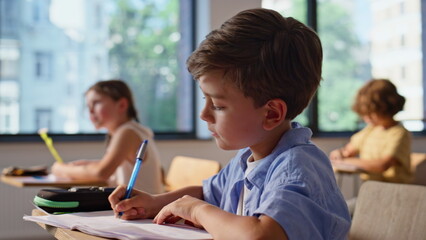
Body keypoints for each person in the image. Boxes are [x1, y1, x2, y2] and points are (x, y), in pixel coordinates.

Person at [108, 8, 350, 239]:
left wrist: (196, 210)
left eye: (218, 105)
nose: (204, 114)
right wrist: (155, 202)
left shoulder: (298, 168)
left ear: (271, 114)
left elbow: (262, 235)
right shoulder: (247, 159)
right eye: (205, 99)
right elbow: (208, 194)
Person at [52, 80, 164, 194]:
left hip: (143, 209)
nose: (90, 111)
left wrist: (60, 169)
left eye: (96, 103)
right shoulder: (131, 130)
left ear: (122, 105)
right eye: (88, 106)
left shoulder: (127, 133)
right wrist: (89, 164)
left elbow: (101, 173)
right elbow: (109, 167)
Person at [329, 79, 412, 184]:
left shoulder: (399, 133)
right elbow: (348, 151)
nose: (366, 118)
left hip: (395, 191)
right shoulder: (370, 130)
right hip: (372, 188)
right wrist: (339, 153)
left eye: (371, 113)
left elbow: (382, 165)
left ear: (386, 108)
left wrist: (344, 161)